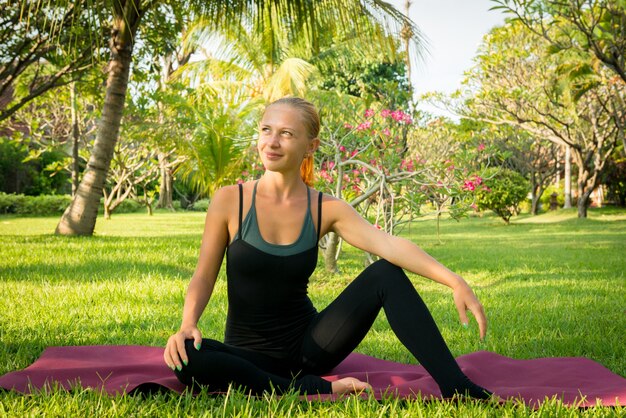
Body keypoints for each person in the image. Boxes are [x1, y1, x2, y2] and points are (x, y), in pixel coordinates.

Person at [164, 97, 491, 398]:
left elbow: (388, 244)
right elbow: (204, 276)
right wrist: (187, 323)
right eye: (266, 130)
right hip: (246, 355)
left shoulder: (325, 208)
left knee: (385, 274)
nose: (272, 142)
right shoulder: (229, 200)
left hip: (310, 348)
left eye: (287, 133)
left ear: (310, 146)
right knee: (186, 358)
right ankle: (313, 388)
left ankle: (456, 386)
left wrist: (454, 281)